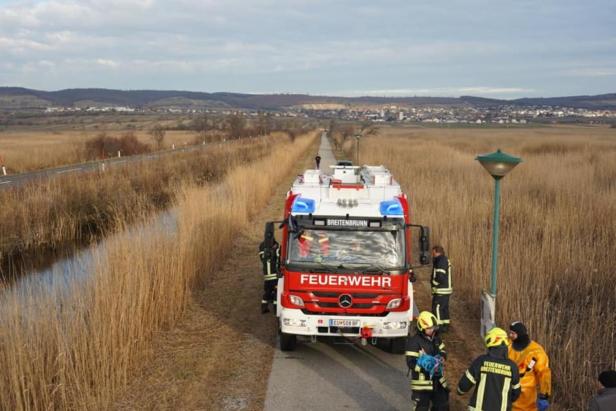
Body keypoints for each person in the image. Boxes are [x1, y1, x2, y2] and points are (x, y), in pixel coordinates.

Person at [457, 327, 521, 410]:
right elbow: (516, 393)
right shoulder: (512, 366)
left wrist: (459, 391)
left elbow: (464, 385)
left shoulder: (481, 361)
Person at [405, 311, 449, 411]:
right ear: (421, 327)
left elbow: (443, 351)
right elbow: (410, 362)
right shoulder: (414, 342)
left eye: (433, 327)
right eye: (428, 328)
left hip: (438, 380)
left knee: (442, 406)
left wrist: (442, 357)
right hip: (422, 384)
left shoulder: (436, 339)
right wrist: (425, 367)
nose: (431, 330)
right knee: (422, 408)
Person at [507, 321, 552, 411]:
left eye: (513, 333)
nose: (510, 335)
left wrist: (544, 395)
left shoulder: (536, 352)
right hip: (507, 398)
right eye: (510, 333)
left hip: (526, 401)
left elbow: (544, 373)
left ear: (520, 334)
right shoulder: (508, 346)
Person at [259, 222, 280, 314]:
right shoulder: (276, 246)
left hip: (267, 275)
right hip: (274, 275)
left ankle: (264, 308)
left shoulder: (262, 246)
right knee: (276, 292)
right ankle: (276, 309)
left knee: (267, 292)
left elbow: (262, 258)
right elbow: (279, 258)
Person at [431, 245, 452, 332]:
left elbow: (440, 276)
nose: (432, 254)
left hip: (441, 289)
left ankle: (439, 327)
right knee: (444, 308)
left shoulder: (441, 260)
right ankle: (445, 325)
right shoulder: (444, 259)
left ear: (436, 252)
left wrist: (434, 283)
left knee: (437, 307)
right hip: (445, 289)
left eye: (433, 252)